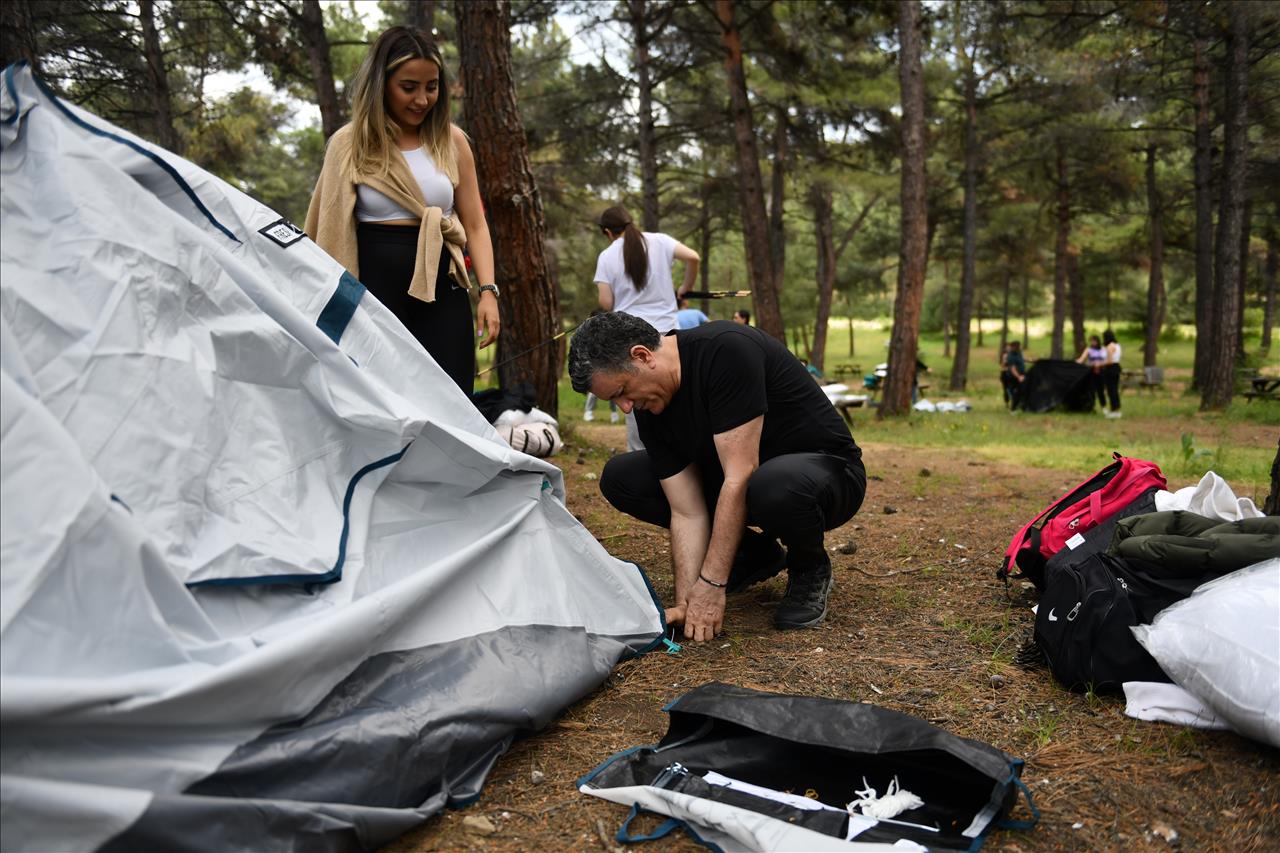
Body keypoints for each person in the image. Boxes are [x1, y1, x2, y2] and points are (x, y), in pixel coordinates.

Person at [568, 312, 867, 641]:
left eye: (623, 391)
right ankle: (753, 554)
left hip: (826, 474)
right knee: (623, 476)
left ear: (642, 356)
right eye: (614, 400)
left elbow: (740, 476)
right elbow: (686, 509)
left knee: (772, 486)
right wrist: (687, 601)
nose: (625, 407)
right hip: (748, 482)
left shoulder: (726, 351)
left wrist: (712, 585)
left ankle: (809, 565)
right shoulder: (650, 403)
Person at [305, 26, 498, 396]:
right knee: (383, 401)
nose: (422, 99)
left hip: (443, 287)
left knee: (452, 396)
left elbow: (475, 223)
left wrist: (488, 292)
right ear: (382, 84)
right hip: (373, 293)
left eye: (432, 86)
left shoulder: (452, 141)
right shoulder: (350, 144)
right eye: (409, 87)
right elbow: (327, 227)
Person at [593, 206, 700, 451]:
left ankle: (641, 459)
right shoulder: (660, 241)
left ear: (608, 232)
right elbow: (693, 257)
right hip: (670, 337)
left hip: (631, 341)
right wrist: (685, 287)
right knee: (680, 398)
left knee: (636, 403)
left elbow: (606, 303)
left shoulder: (607, 256)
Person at [1075, 334, 1106, 409]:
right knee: (1091, 389)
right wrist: (1073, 363)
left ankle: (1103, 406)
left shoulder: (1103, 349)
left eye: (1094, 341)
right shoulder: (1089, 350)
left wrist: (1100, 364)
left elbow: (1106, 360)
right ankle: (1091, 405)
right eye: (1091, 341)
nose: (1092, 343)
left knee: (1101, 390)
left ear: (1098, 341)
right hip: (1091, 372)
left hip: (1101, 372)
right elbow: (1081, 360)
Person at [1101, 329, 1123, 418]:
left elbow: (1109, 361)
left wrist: (1100, 364)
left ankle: (1114, 410)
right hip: (1117, 367)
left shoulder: (1110, 346)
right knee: (1114, 390)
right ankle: (1116, 409)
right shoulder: (1117, 345)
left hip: (1111, 369)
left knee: (1111, 390)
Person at [1000, 340, 1026, 409]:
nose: (1008, 348)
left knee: (1019, 390)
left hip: (1017, 374)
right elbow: (1007, 367)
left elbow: (1022, 359)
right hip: (1007, 375)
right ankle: (1009, 404)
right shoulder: (1007, 355)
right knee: (1009, 390)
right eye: (1007, 347)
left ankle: (1018, 404)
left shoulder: (1018, 353)